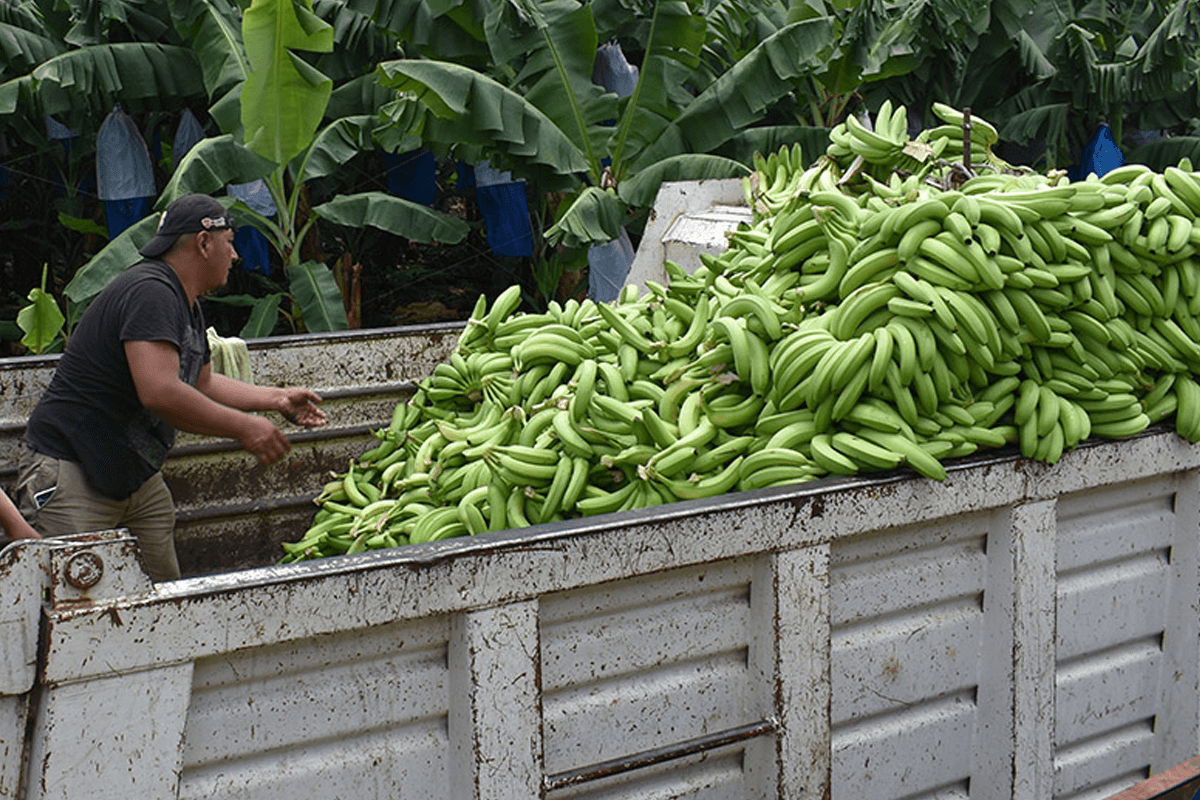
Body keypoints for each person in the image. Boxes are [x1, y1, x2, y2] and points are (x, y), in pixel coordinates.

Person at [15, 193, 327, 581]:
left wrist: (277, 399)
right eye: (229, 243)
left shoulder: (186, 303)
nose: (235, 256)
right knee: (73, 607)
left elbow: (202, 381)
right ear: (203, 242)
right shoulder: (151, 292)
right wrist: (245, 427)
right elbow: (160, 392)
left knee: (162, 602)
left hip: (133, 475)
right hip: (74, 471)